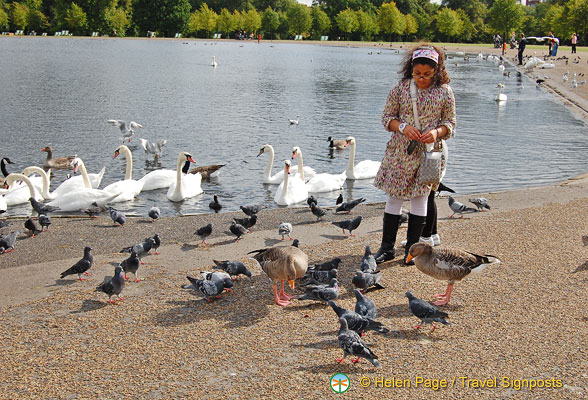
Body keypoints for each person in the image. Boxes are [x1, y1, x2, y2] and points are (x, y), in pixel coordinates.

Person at [373, 44, 456, 265]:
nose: (421, 78)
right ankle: (386, 248)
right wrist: (402, 128)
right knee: (394, 197)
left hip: (428, 154)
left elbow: (450, 124)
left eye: (427, 75)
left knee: (420, 199)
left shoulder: (445, 92)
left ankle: (412, 251)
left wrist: (437, 132)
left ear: (437, 71)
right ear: (410, 69)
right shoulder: (400, 88)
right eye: (417, 73)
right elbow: (386, 118)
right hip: (400, 152)